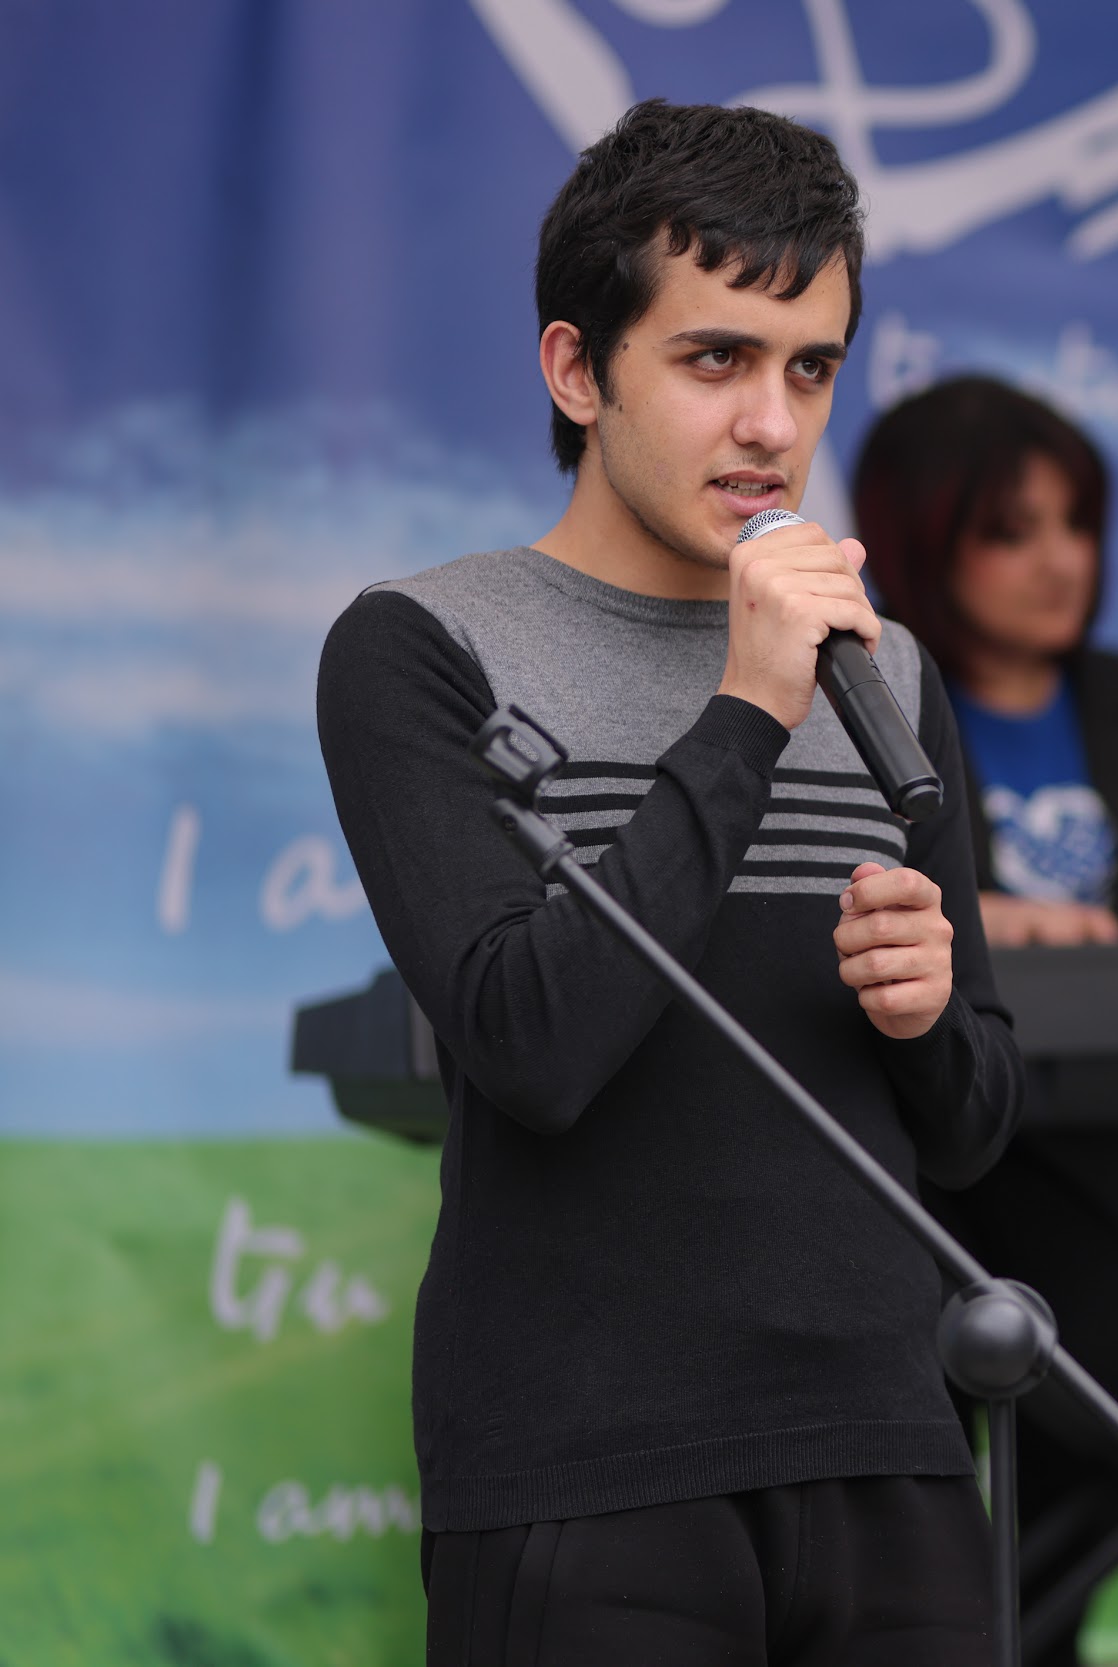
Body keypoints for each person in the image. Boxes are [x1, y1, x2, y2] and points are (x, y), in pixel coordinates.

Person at [316, 101, 1020, 1665]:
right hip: (587, 1465)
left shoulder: (887, 669)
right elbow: (532, 1046)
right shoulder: (424, 647)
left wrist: (924, 1017)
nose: (772, 423)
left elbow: (975, 1125)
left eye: (811, 369)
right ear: (578, 372)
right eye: (716, 359)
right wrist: (748, 708)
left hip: (890, 1442)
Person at [851, 376, 1118, 1665]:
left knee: (1105, 1432)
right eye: (1011, 532)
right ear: (925, 541)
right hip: (899, 1160)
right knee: (895, 1499)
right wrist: (984, 920)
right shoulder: (856, 688)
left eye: (1077, 524)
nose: (1061, 561)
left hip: (1076, 1152)